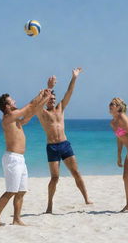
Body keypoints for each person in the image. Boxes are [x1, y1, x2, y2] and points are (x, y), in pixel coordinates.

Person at [0, 89, 51, 227]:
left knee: (22, 190)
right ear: (7, 106)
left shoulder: (15, 119)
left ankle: (16, 219)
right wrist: (41, 94)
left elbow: (31, 111)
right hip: (12, 159)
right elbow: (29, 106)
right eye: (12, 100)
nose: (15, 101)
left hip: (20, 159)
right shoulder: (9, 117)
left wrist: (46, 97)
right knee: (11, 190)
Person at [36, 68, 92, 213]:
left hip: (65, 145)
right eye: (50, 99)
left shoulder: (60, 108)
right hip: (52, 147)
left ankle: (86, 198)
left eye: (54, 99)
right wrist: (48, 88)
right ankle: (49, 205)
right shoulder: (42, 113)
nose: (53, 101)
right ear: (46, 99)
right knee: (55, 178)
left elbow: (69, 93)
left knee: (76, 173)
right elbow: (35, 104)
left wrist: (74, 77)